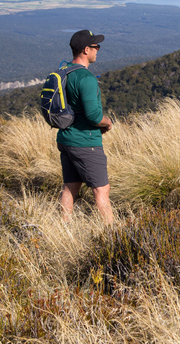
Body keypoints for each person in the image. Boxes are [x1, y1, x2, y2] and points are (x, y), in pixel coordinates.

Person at [57, 29, 114, 224]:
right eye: (96, 46)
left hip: (66, 139)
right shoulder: (86, 78)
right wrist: (107, 123)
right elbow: (93, 116)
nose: (98, 50)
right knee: (101, 190)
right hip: (85, 141)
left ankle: (63, 229)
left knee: (70, 187)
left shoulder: (64, 73)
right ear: (86, 50)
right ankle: (113, 237)